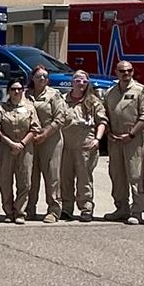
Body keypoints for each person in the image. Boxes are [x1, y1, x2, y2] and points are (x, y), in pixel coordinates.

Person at [102, 60, 144, 223]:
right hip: (114, 140)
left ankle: (137, 211)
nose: (126, 74)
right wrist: (109, 133)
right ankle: (121, 208)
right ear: (116, 72)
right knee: (116, 175)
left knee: (135, 175)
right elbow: (104, 114)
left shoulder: (141, 90)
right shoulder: (110, 92)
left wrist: (131, 134)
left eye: (129, 71)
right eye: (122, 71)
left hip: (132, 139)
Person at [55, 71, 105, 221]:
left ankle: (86, 208)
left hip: (86, 146)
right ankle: (67, 208)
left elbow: (102, 121)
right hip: (66, 146)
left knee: (84, 180)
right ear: (72, 82)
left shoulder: (93, 101)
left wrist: (97, 139)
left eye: (84, 81)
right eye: (78, 80)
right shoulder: (63, 100)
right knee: (65, 179)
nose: (81, 84)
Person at [0, 73, 41, 222]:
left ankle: (20, 212)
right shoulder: (1, 109)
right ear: (8, 91)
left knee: (25, 180)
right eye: (13, 89)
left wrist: (21, 144)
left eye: (20, 89)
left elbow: (35, 128)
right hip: (6, 148)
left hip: (25, 149)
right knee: (4, 180)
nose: (17, 92)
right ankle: (8, 211)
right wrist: (10, 143)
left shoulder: (29, 108)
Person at [23, 65, 62, 221]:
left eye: (45, 77)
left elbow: (60, 118)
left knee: (52, 176)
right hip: (30, 140)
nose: (42, 79)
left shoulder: (54, 95)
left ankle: (53, 210)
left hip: (50, 140)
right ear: (32, 78)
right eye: (39, 76)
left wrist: (45, 134)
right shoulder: (26, 95)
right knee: (30, 176)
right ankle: (29, 208)